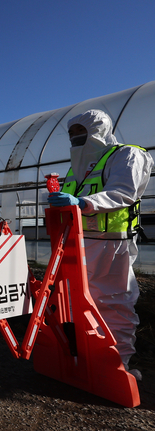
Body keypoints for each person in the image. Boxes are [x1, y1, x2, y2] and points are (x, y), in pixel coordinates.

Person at [48, 109, 153, 381]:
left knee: (113, 302)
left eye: (80, 131)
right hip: (78, 243)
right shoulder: (79, 166)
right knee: (74, 302)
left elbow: (123, 192)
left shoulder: (127, 155)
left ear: (99, 130)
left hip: (111, 245)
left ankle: (118, 364)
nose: (75, 138)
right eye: (71, 133)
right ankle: (84, 356)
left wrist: (83, 203)